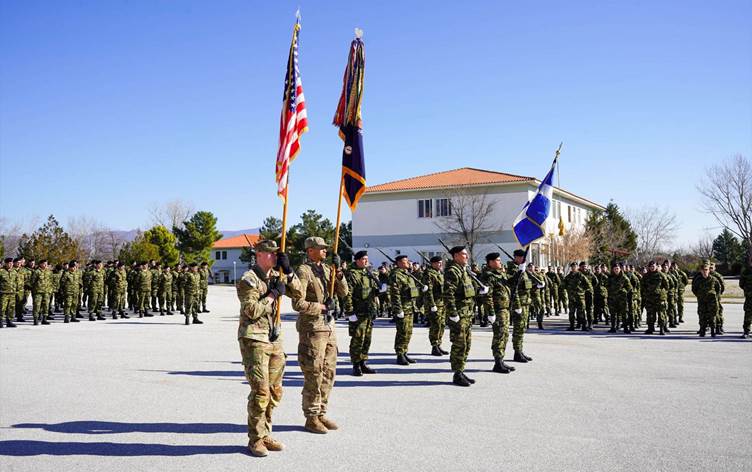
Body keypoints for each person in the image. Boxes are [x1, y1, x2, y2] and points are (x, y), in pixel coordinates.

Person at [236, 240, 302, 457]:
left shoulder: (277, 275)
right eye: (271, 254)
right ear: (259, 254)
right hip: (254, 339)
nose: (275, 257)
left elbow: (299, 294)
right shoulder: (249, 279)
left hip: (274, 338)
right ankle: (255, 439)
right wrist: (272, 295)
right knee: (261, 391)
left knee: (275, 391)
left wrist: (290, 272)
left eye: (277, 254)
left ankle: (265, 433)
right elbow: (251, 311)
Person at [291, 236, 349, 434]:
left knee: (329, 372)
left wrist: (339, 273)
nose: (325, 251)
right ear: (310, 250)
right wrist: (322, 307)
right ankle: (311, 416)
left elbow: (344, 293)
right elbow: (298, 303)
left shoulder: (327, 270)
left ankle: (322, 411)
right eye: (321, 248)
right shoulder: (303, 271)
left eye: (325, 248)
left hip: (329, 327)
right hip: (312, 329)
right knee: (314, 373)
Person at [444, 246, 483, 386]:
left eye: (467, 254)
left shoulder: (464, 271)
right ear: (455, 256)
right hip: (459, 315)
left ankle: (461, 370)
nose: (467, 256)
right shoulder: (452, 271)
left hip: (467, 313)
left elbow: (469, 290)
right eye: (464, 254)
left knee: (467, 344)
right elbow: (448, 294)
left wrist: (480, 290)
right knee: (459, 344)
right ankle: (457, 373)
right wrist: (453, 313)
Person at [344, 250, 379, 376]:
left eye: (366, 259)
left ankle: (363, 362)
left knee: (367, 339)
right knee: (357, 339)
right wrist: (350, 312)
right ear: (357, 260)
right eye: (363, 259)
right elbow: (347, 294)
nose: (366, 261)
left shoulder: (368, 273)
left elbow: (372, 292)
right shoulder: (352, 274)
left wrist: (380, 290)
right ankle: (356, 364)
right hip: (358, 312)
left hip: (368, 312)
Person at [482, 253, 515, 374]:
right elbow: (487, 296)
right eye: (498, 260)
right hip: (497, 310)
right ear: (490, 262)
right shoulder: (488, 276)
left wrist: (520, 271)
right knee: (499, 335)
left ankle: (501, 359)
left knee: (504, 335)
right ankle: (497, 362)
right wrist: (490, 312)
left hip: (504, 309)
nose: (500, 262)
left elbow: (511, 282)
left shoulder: (500, 274)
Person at [389, 254, 422, 365]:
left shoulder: (407, 274)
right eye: (405, 261)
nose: (408, 263)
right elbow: (395, 294)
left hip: (410, 308)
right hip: (402, 308)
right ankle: (399, 354)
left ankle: (404, 352)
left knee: (408, 332)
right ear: (398, 263)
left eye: (408, 261)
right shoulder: (396, 275)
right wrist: (398, 310)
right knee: (402, 332)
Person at [423, 256, 448, 356]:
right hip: (434, 304)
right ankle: (434, 346)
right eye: (438, 263)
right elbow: (428, 291)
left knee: (441, 325)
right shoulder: (429, 274)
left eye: (441, 263)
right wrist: (432, 304)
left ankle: (438, 344)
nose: (440, 264)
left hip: (441, 303)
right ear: (432, 264)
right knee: (435, 325)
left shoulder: (440, 273)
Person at [692, 260, 721, 337]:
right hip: (702, 301)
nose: (705, 272)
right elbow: (694, 289)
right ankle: (702, 330)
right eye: (703, 270)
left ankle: (712, 330)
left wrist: (714, 296)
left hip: (712, 301)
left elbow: (718, 289)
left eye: (706, 270)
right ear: (701, 271)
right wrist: (699, 296)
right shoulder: (698, 280)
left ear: (709, 270)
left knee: (712, 316)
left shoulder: (714, 279)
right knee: (702, 316)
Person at [642, 261, 669, 335]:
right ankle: (650, 328)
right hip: (649, 298)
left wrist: (662, 293)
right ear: (649, 267)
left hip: (659, 298)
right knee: (650, 314)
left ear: (656, 266)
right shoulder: (646, 276)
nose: (652, 267)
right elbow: (642, 286)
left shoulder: (661, 275)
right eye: (651, 266)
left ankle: (662, 329)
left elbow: (667, 285)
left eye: (654, 266)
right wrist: (646, 293)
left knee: (661, 314)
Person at [607, 263, 632, 333]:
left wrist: (623, 291)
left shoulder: (624, 277)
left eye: (617, 268)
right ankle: (613, 327)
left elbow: (629, 287)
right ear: (613, 270)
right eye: (615, 269)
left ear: (620, 269)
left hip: (622, 299)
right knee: (613, 314)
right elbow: (607, 286)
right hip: (612, 298)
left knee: (624, 313)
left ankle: (626, 328)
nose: (616, 270)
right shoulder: (610, 277)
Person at [0, 257, 18, 328]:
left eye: (12, 263)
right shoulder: (1, 271)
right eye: (9, 263)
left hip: (12, 293)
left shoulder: (14, 272)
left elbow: (16, 281)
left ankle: (9, 321)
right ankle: (0, 321)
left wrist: (17, 291)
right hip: (3, 293)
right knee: (2, 308)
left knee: (11, 308)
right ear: (6, 263)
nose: (11, 264)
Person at [739, 257, 752, 339]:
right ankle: (746, 331)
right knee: (748, 315)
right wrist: (748, 291)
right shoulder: (746, 271)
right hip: (749, 298)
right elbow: (741, 284)